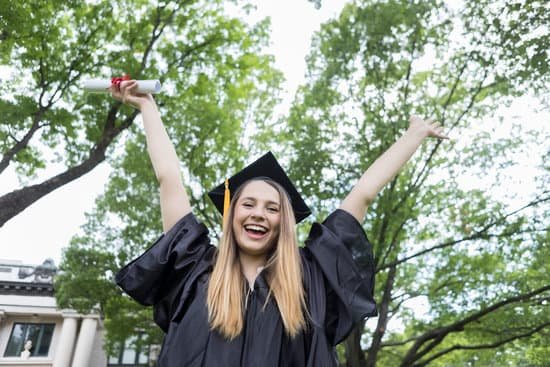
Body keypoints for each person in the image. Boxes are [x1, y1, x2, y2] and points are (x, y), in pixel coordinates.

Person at [112, 80, 447, 366]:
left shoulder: (311, 278)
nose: (259, 213)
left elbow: (362, 195)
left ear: (284, 222)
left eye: (272, 208)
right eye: (249, 204)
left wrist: (414, 135)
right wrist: (147, 108)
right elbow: (168, 178)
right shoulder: (195, 267)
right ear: (232, 216)